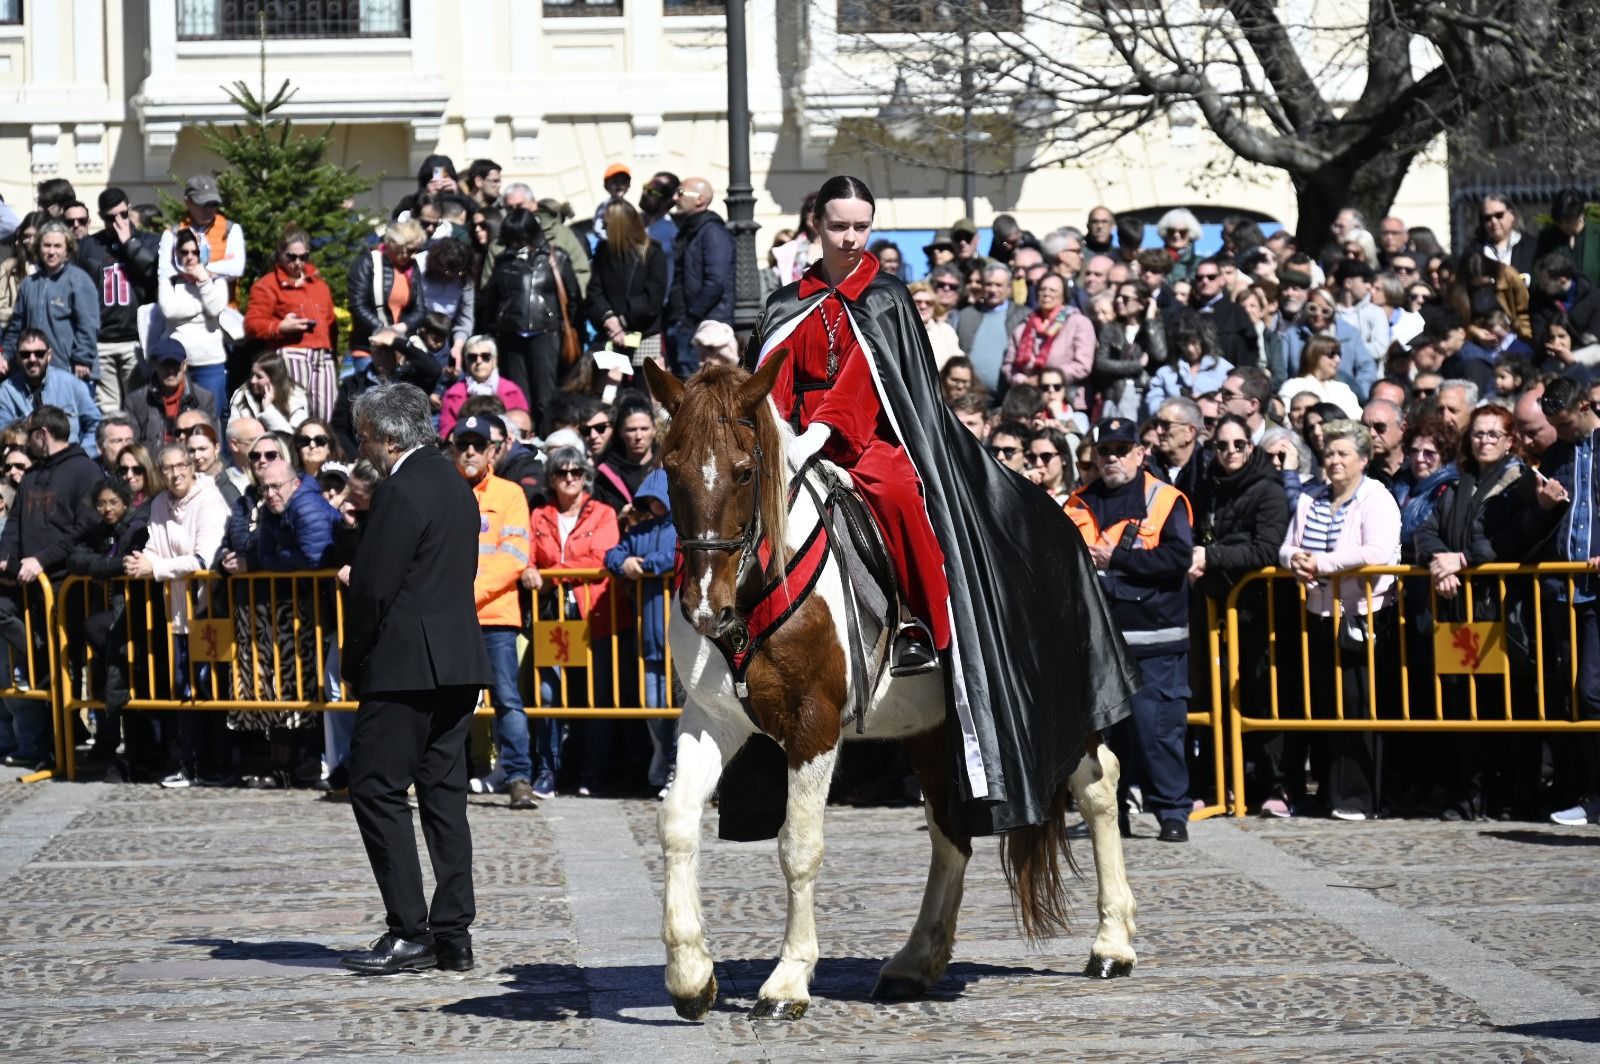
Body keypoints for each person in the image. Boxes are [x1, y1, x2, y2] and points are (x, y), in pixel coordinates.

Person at [748, 175, 1138, 835]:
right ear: (816, 223)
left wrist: (827, 431)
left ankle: (918, 627)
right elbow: (773, 373)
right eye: (838, 226)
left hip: (868, 437)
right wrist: (784, 432)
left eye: (860, 226)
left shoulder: (887, 295)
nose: (849, 238)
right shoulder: (790, 300)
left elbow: (877, 382)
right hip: (794, 436)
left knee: (900, 494)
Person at [339, 383, 492, 976]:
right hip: (456, 662)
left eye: (366, 437)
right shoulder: (457, 484)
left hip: (405, 668)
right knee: (443, 796)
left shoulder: (400, 488)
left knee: (376, 789)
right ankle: (454, 934)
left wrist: (354, 662)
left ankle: (409, 930)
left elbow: (376, 588)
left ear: (391, 436)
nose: (364, 448)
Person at [1415, 404, 1567, 820]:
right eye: (1477, 434)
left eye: (1492, 434)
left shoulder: (1520, 483)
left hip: (1504, 613)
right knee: (1467, 708)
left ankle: (1516, 796)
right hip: (1462, 615)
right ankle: (1472, 796)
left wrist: (1461, 559)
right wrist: (1439, 560)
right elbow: (1425, 531)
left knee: (1511, 708)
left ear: (1509, 440)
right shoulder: (1458, 485)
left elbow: (1515, 540)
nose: (1483, 441)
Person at [1065, 417, 1195, 842]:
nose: (1113, 458)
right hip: (1099, 643)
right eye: (1105, 450)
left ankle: (1171, 813)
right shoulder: (1076, 503)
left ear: (1141, 454)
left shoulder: (1165, 499)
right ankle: (1106, 814)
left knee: (1157, 730)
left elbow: (1177, 559)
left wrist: (1116, 561)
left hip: (1155, 639)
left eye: (1122, 449)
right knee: (1101, 736)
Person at [1278, 420, 1401, 820]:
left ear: (1363, 460)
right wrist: (1293, 560)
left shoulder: (1375, 497)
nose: (1333, 460)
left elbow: (1377, 550)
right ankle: (1329, 793)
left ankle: (1359, 797)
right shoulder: (1309, 497)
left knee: (1358, 703)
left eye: (1342, 453)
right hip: (1318, 612)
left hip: (1363, 614)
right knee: (1325, 703)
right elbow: (1288, 544)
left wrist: (1323, 564)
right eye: (1329, 453)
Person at [1190, 413, 1290, 809]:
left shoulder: (1269, 490)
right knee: (1215, 698)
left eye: (1238, 445)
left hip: (1256, 609)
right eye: (1221, 445)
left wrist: (1211, 556)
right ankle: (1221, 783)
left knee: (1261, 697)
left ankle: (1274, 787)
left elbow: (1267, 549)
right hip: (1216, 607)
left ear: (1251, 447)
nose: (1229, 452)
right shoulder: (1209, 486)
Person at [127, 441, 233, 787]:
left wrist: (154, 569)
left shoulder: (210, 500)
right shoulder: (160, 503)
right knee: (184, 690)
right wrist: (144, 561)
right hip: (177, 614)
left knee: (209, 687)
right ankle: (189, 766)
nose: (174, 475)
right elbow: (152, 549)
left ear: (191, 467)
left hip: (209, 610)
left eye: (179, 466)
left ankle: (216, 766)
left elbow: (204, 559)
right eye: (166, 469)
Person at [449, 414, 537, 810]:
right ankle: (448, 775)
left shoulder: (510, 493)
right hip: (452, 617)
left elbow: (515, 555)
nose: (469, 451)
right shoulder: (445, 491)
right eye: (462, 444)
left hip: (495, 617)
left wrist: (466, 595)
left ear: (491, 451)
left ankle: (518, 777)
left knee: (507, 699)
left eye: (476, 445)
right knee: (450, 701)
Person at [604, 467, 679, 798]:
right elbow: (612, 554)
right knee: (653, 708)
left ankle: (675, 769)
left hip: (679, 639)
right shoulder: (642, 529)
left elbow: (677, 557)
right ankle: (664, 766)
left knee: (679, 710)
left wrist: (644, 566)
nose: (654, 504)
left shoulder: (682, 528)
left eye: (658, 497)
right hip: (649, 637)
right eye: (649, 499)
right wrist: (624, 565)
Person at [478, 207, 583, 435]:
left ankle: (546, 438)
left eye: (521, 237)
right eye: (512, 238)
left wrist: (556, 323)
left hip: (546, 334)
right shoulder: (503, 261)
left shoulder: (557, 257)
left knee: (545, 397)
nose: (517, 242)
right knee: (519, 398)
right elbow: (491, 299)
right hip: (511, 335)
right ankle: (522, 440)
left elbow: (573, 299)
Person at [76, 187, 160, 413]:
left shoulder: (149, 241)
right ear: (101, 217)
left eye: (123, 215)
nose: (118, 222)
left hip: (136, 338)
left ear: (129, 208)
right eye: (111, 218)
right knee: (109, 411)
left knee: (139, 406)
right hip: (102, 339)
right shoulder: (88, 247)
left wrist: (130, 243)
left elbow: (154, 274)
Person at [243, 225, 339, 422]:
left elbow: (331, 323)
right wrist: (279, 327)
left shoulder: (318, 285)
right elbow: (252, 324)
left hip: (323, 354)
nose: (298, 263)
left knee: (328, 416)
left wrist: (334, 353)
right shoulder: (267, 285)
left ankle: (325, 450)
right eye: (291, 257)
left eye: (303, 257)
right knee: (296, 412)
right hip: (292, 351)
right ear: (280, 255)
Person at [0, 220, 99, 380]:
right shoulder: (29, 284)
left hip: (69, 370)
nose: (51, 251)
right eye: (47, 245)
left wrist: (83, 358)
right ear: (39, 248)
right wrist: (5, 356)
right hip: (32, 370)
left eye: (57, 246)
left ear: (67, 249)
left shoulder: (79, 280)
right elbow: (16, 326)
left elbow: (88, 325)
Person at [331, 326, 442, 455]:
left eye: (389, 349)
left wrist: (398, 343)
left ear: (399, 353)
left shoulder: (411, 381)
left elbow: (434, 370)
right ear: (371, 350)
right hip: (363, 459)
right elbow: (339, 429)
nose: (384, 355)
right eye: (379, 349)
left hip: (403, 457)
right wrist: (356, 458)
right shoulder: (352, 384)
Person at [665, 176, 735, 376]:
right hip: (686, 323)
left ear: (700, 200)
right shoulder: (688, 231)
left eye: (680, 193)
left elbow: (716, 282)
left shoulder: (712, 232)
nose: (675, 198)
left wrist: (690, 318)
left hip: (704, 326)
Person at [156, 228, 228, 419]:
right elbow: (170, 311)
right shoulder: (170, 280)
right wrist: (200, 306)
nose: (190, 257)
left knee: (211, 419)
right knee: (178, 417)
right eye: (184, 252)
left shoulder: (216, 279)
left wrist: (204, 280)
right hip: (175, 364)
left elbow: (214, 309)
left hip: (209, 363)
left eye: (195, 252)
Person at [587, 200, 668, 367]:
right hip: (610, 333)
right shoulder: (603, 252)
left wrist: (622, 321)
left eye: (606, 224)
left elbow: (654, 297)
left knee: (644, 388)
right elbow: (594, 290)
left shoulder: (652, 252)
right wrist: (609, 319)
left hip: (644, 334)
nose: (603, 228)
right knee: (609, 388)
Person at [0, 329, 101, 454]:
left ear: (49, 355)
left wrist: (84, 454)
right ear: (18, 357)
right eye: (25, 354)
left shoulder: (72, 384)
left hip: (69, 461)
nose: (32, 359)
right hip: (29, 464)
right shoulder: (6, 392)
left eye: (39, 353)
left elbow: (96, 423)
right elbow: (4, 436)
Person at [158, 174, 246, 306]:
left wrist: (197, 270)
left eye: (213, 204)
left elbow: (236, 268)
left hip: (224, 313)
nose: (209, 209)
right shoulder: (172, 234)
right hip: (186, 312)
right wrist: (217, 271)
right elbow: (166, 273)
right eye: (203, 204)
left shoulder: (231, 229)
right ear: (187, 201)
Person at [1001, 273, 1093, 397]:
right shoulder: (1024, 326)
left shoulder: (1078, 323)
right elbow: (1009, 365)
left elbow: (1083, 365)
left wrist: (1046, 379)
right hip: (1029, 397)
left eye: (1053, 290)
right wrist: (1022, 380)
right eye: (1042, 289)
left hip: (1065, 396)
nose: (1046, 293)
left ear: (1063, 296)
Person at [347, 221, 426, 355]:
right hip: (368, 346)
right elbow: (357, 305)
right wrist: (383, 330)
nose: (413, 255)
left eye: (416, 250)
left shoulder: (412, 267)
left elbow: (420, 309)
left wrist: (403, 327)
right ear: (395, 245)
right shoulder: (367, 263)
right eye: (410, 250)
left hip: (400, 347)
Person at [126, 337, 217, 451]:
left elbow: (212, 441)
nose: (170, 371)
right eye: (165, 365)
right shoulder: (135, 401)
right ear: (154, 365)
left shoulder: (204, 399)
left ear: (184, 365)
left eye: (175, 365)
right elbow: (132, 447)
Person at [1143, 311, 1233, 419]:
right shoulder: (1165, 373)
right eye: (1184, 344)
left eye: (1194, 342)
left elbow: (1231, 402)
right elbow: (1154, 403)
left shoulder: (1224, 369)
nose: (1190, 349)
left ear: (1204, 340)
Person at [955, 263, 1028, 392]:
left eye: (999, 285)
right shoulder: (966, 315)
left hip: (1008, 396)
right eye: (989, 284)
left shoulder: (1023, 315)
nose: (993, 290)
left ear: (1009, 288)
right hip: (970, 395)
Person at [438, 335, 529, 439]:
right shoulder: (452, 395)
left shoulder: (513, 391)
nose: (479, 361)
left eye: (485, 356)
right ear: (466, 362)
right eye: (472, 357)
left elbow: (524, 428)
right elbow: (445, 435)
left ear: (495, 360)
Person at [591, 392, 657, 516]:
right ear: (621, 432)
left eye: (644, 429)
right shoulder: (605, 477)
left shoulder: (667, 469)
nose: (638, 436)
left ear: (654, 430)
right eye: (631, 430)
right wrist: (619, 521)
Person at [1277, 335, 1362, 419]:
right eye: (1331, 354)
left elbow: (1357, 417)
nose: (1337, 360)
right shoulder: (1293, 386)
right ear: (1314, 355)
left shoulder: (1343, 388)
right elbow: (1285, 418)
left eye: (1339, 354)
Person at [228, 351, 309, 436]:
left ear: (274, 379)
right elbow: (232, 433)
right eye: (252, 374)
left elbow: (292, 438)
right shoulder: (241, 394)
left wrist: (268, 409)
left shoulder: (296, 397)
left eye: (259, 377)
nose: (252, 380)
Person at [908, 281, 962, 368]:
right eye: (917, 302)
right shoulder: (898, 329)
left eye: (928, 303)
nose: (923, 307)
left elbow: (958, 362)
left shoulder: (946, 331)